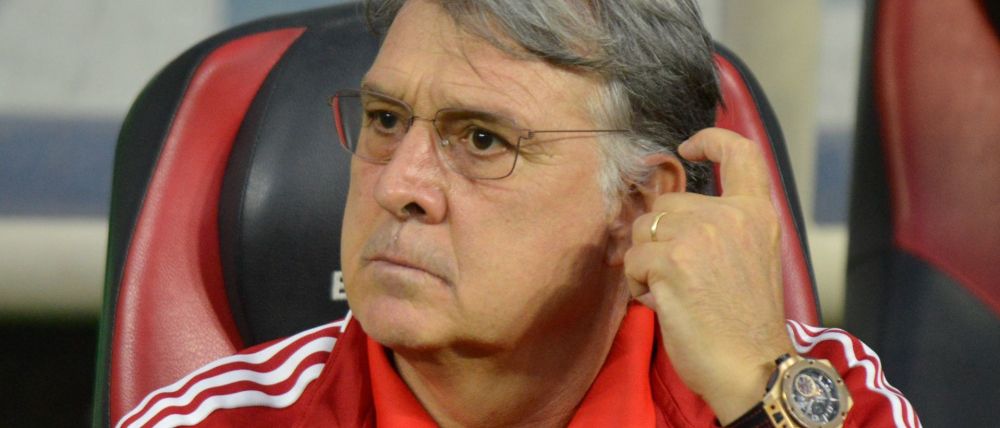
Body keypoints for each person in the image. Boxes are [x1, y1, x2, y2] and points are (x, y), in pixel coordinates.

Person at [116, 0, 919, 427]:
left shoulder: (816, 396)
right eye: (386, 119)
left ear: (638, 205)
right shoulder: (214, 424)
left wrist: (758, 394)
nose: (400, 184)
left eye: (481, 139)